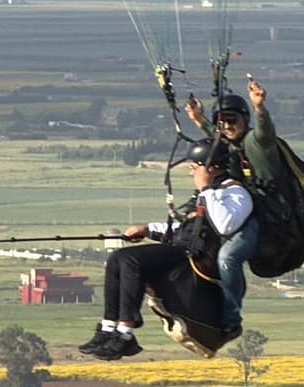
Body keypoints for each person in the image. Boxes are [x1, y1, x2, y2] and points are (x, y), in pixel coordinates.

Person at [78, 138, 254, 360]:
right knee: (117, 258)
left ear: (210, 168)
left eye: (194, 167)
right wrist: (148, 230)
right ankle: (108, 327)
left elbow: (224, 225)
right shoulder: (208, 192)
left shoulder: (237, 194)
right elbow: (188, 226)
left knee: (131, 261)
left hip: (198, 257)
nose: (192, 173)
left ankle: (125, 334)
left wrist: (206, 188)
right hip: (182, 247)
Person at [185, 77, 288, 339]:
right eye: (223, 120)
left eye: (233, 120)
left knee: (228, 257)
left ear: (245, 120)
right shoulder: (230, 145)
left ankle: (231, 318)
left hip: (264, 216)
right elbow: (220, 136)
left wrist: (260, 108)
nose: (228, 125)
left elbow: (265, 133)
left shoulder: (257, 142)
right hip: (238, 205)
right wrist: (199, 120)